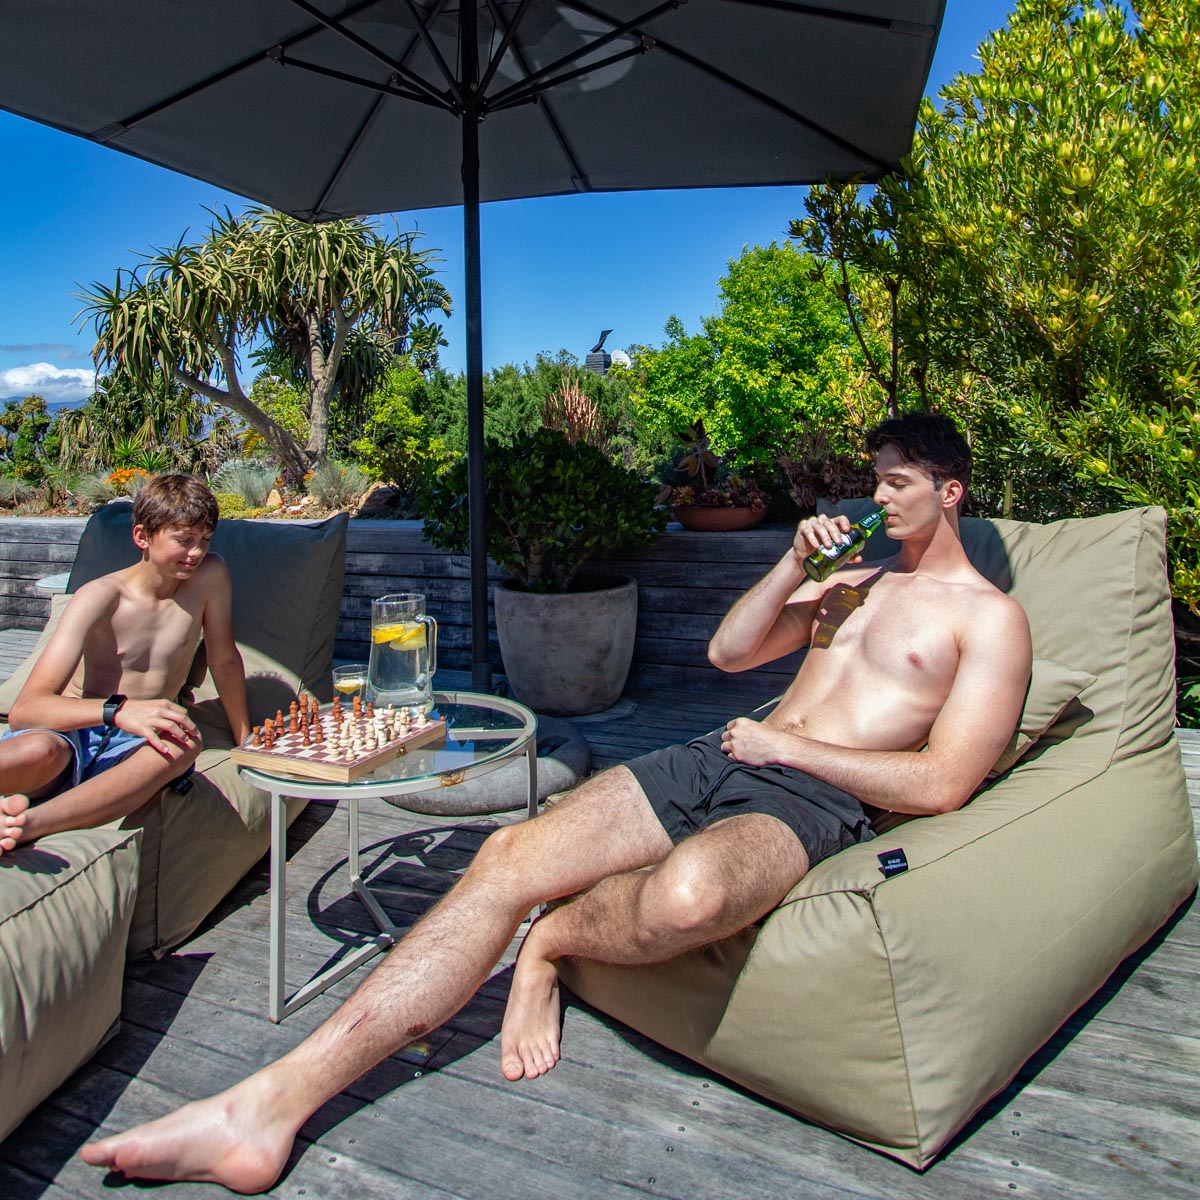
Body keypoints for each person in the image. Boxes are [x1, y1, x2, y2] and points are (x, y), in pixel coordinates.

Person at [80, 413, 1031, 1193]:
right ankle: (270, 1105)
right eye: (876, 479)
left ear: (951, 491)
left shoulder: (989, 620)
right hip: (720, 755)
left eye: (898, 482)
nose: (877, 498)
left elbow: (946, 781)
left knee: (689, 897)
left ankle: (551, 942)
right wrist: (792, 565)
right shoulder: (851, 580)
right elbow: (731, 656)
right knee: (503, 860)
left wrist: (790, 743)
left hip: (813, 799)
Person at [0, 475, 250, 853]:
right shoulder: (99, 597)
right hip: (74, 732)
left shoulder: (210, 576)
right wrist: (118, 711)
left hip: (136, 743)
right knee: (39, 752)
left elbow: (224, 660)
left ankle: (28, 824)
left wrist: (245, 740)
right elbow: (26, 711)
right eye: (184, 540)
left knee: (183, 744)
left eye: (205, 540)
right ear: (142, 537)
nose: (196, 552)